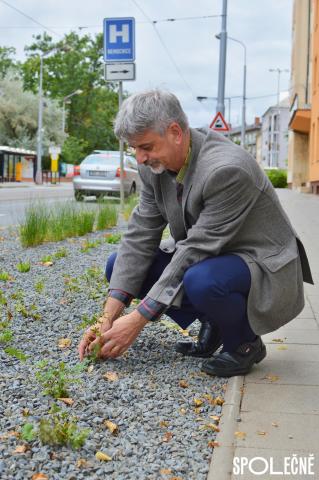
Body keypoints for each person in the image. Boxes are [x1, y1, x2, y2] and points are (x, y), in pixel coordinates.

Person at [78, 89, 313, 377]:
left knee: (202, 279)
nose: (139, 158)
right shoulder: (153, 168)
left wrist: (137, 320)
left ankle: (244, 344)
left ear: (175, 132)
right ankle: (215, 321)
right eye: (134, 148)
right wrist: (107, 317)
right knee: (118, 264)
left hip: (263, 263)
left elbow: (195, 250)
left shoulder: (226, 169)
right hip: (214, 257)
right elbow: (140, 235)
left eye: (146, 147)